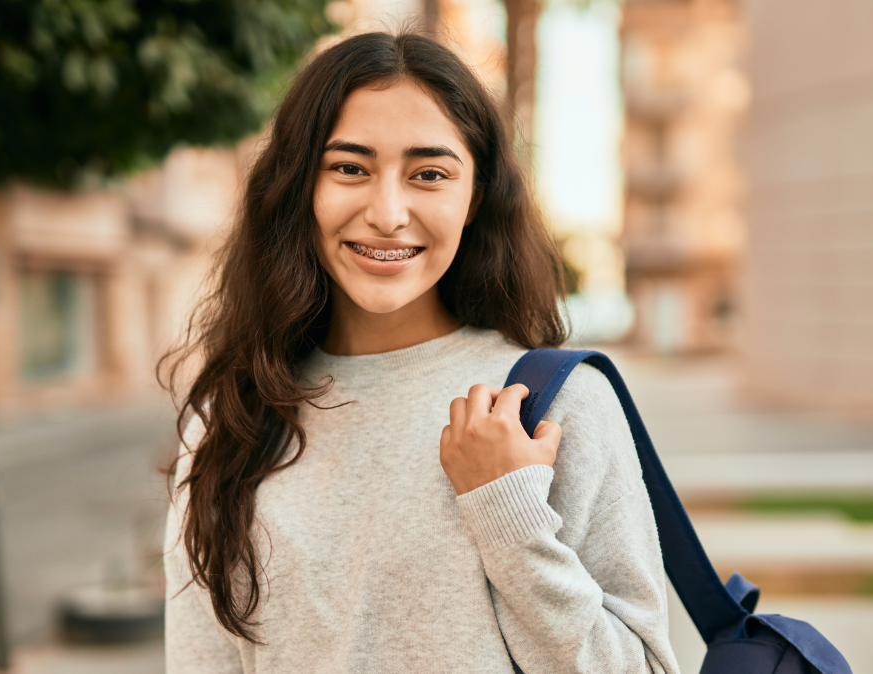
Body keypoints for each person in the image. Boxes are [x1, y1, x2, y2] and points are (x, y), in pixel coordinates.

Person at [162, 31, 679, 674]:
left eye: (429, 174)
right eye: (349, 167)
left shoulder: (556, 403)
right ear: (300, 188)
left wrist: (510, 516)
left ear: (474, 199)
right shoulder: (232, 417)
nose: (387, 212)